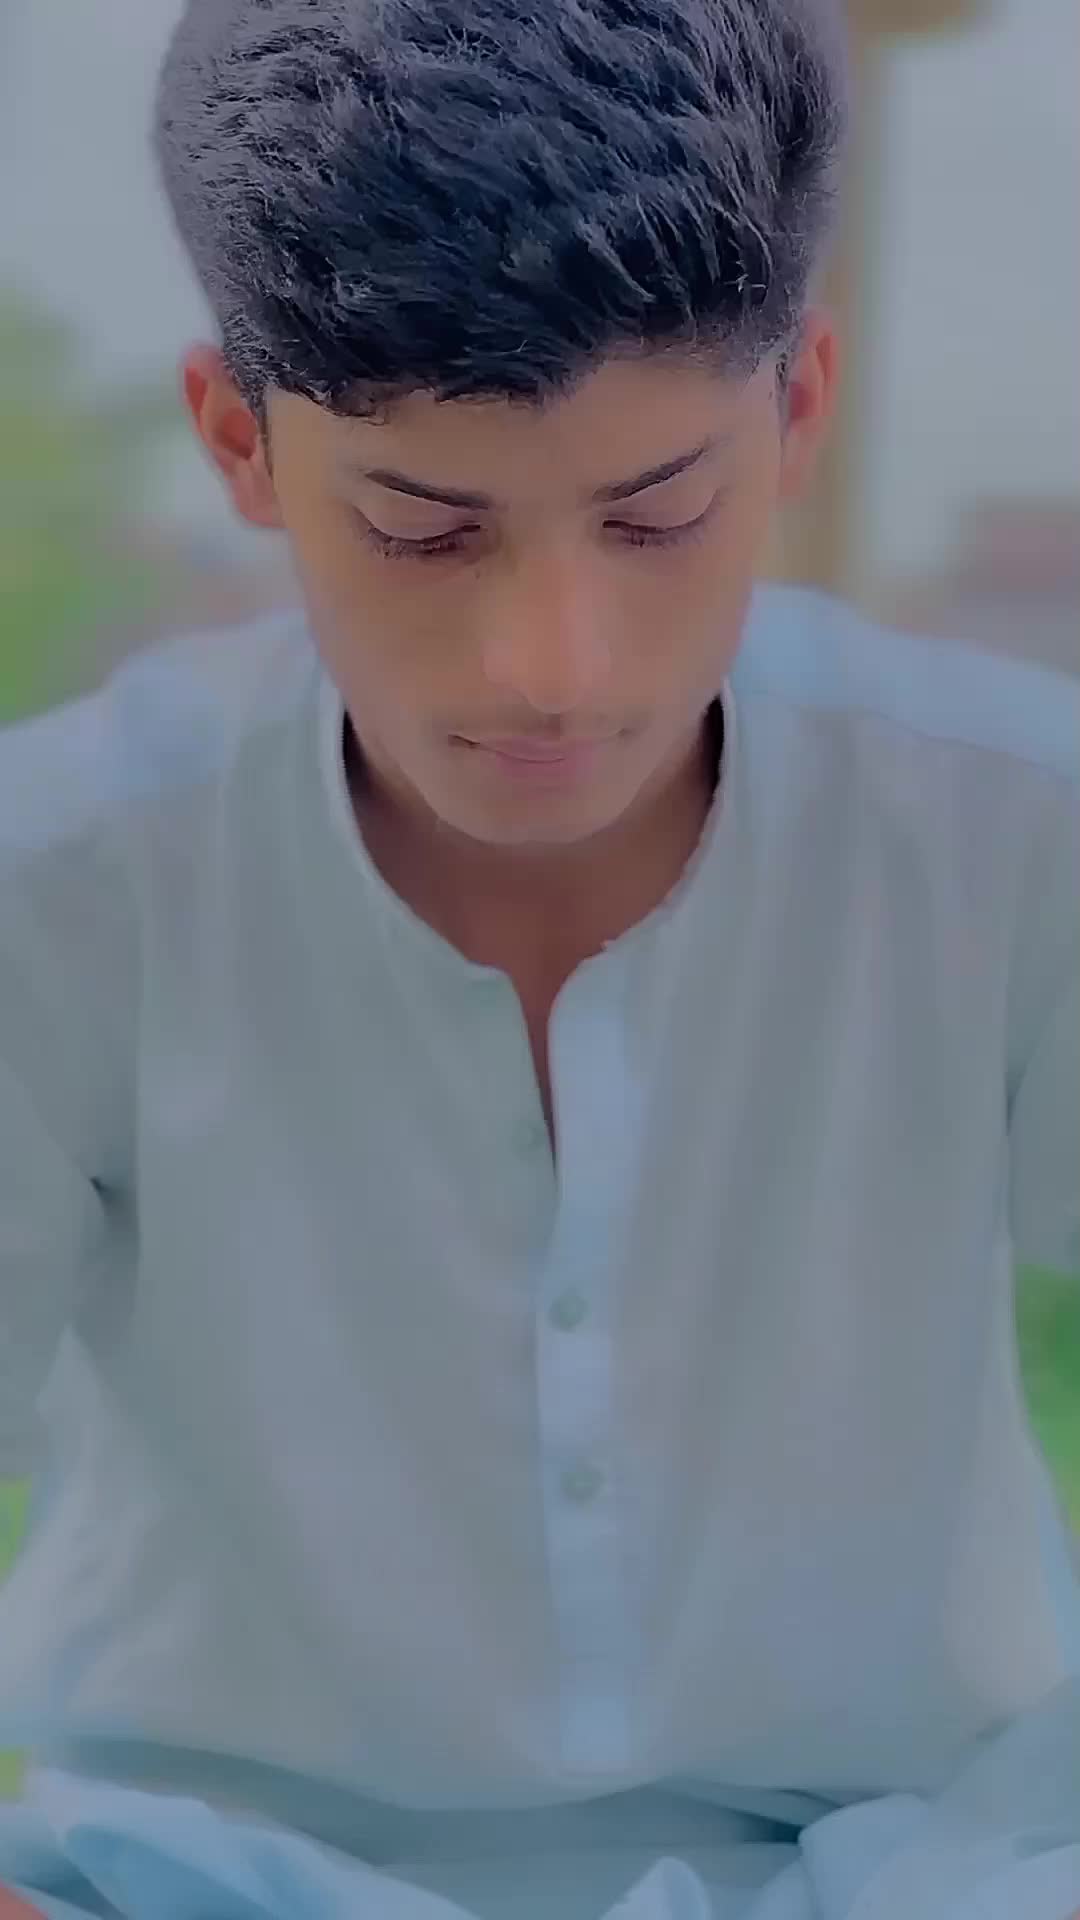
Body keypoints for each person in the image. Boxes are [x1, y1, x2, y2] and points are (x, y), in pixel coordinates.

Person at [1, 0, 1078, 1915]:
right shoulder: (59, 882)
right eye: (424, 530)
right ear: (240, 442)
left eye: (659, 515)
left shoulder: (1017, 832)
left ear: (799, 409)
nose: (553, 670)